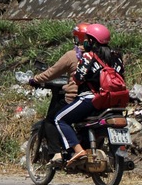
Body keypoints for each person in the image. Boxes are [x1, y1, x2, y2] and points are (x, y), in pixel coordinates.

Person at [51, 22, 125, 168]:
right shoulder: (117, 56)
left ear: (91, 40)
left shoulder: (88, 56)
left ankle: (78, 151)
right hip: (113, 100)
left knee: (59, 119)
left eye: (86, 38)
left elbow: (78, 78)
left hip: (91, 98)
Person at [27, 24, 86, 161]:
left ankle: (56, 153)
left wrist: (34, 80)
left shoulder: (72, 55)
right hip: (96, 99)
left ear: (78, 39)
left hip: (75, 98)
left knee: (51, 120)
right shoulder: (98, 56)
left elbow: (51, 73)